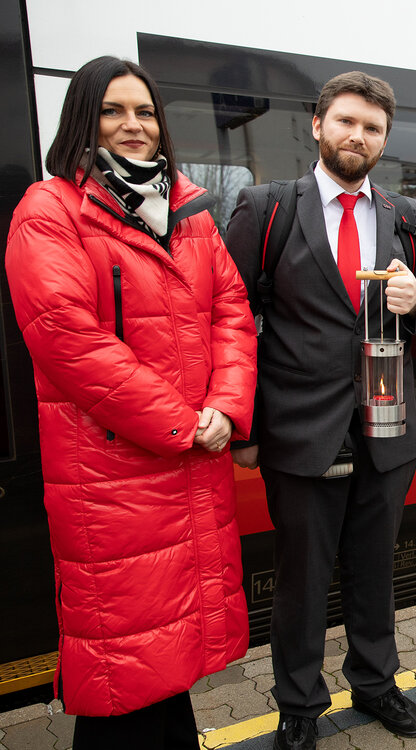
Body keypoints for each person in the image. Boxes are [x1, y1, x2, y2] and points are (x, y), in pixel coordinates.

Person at [4, 56, 256, 748]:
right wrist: (186, 422)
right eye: (114, 110)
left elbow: (231, 309)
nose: (134, 125)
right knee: (125, 664)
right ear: (84, 120)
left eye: (145, 111)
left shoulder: (188, 210)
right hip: (112, 480)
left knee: (162, 661)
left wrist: (227, 408)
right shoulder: (48, 210)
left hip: (189, 461)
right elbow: (67, 339)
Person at [224, 72, 416, 749]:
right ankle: (298, 704)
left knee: (375, 568)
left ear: (385, 140)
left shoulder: (406, 217)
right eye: (347, 122)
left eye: (373, 128)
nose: (359, 136)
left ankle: (377, 684)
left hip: (387, 430)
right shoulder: (266, 208)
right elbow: (230, 317)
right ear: (318, 124)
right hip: (300, 432)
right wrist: (244, 427)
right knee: (300, 578)